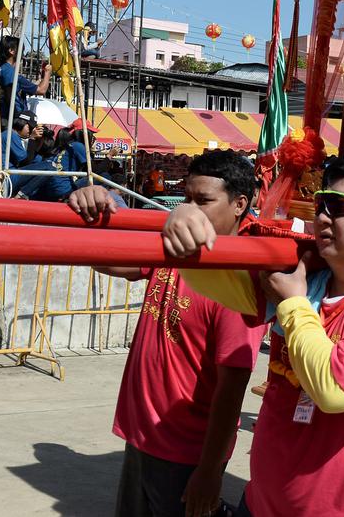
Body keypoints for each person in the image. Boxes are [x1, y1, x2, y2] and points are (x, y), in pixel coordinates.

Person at [158, 156, 344, 516]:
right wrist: (184, 220)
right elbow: (216, 283)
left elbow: (333, 390)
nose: (322, 217)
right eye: (321, 204)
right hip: (261, 503)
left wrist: (292, 303)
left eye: (339, 206)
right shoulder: (310, 277)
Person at [67, 151, 266, 517]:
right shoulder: (176, 248)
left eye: (203, 201)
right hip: (143, 433)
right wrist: (91, 207)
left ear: (239, 205)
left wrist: (209, 471)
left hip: (186, 450)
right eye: (186, 198)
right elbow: (103, 259)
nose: (189, 209)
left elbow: (232, 388)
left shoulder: (237, 282)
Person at [0, 36, 51, 123]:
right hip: (11, 118)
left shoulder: (1, 68)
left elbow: (25, 88)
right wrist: (48, 73)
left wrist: (39, 81)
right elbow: (41, 90)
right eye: (21, 50)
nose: (22, 54)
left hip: (4, 116)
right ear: (11, 51)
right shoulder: (10, 72)